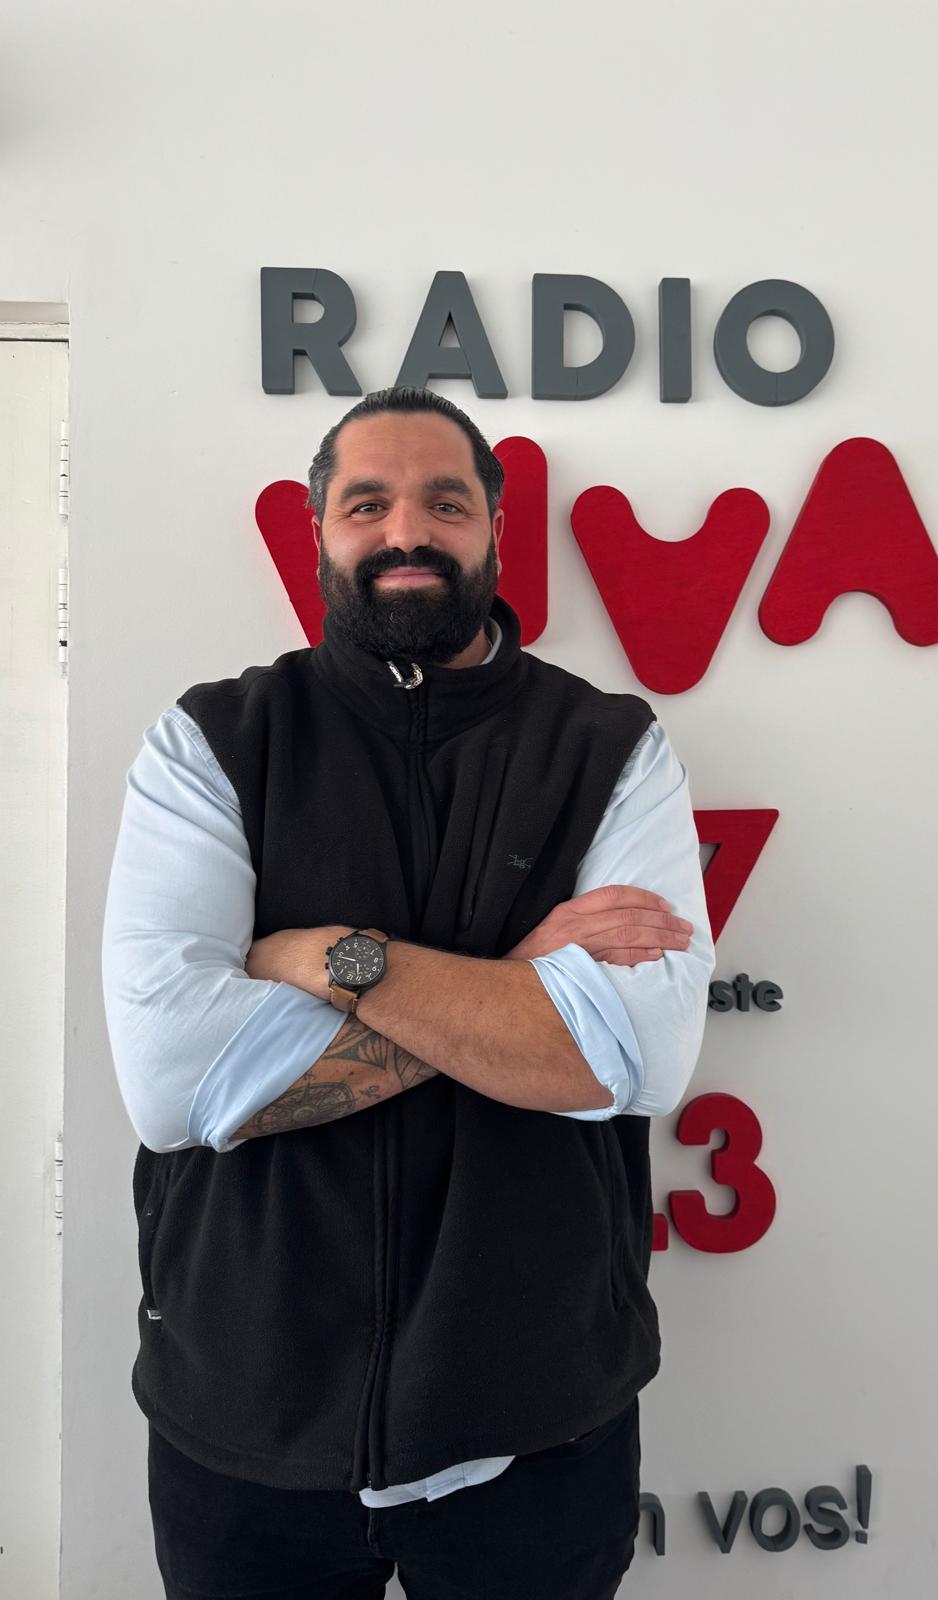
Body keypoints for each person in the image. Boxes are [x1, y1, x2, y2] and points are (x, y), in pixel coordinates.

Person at [101, 384, 715, 1599]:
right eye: (366, 503)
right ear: (319, 532)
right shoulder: (213, 740)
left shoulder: (609, 746)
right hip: (247, 1401)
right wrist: (522, 986)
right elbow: (174, 1084)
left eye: (444, 501)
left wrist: (329, 958)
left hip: (533, 1406)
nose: (405, 532)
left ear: (493, 528)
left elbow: (632, 1058)